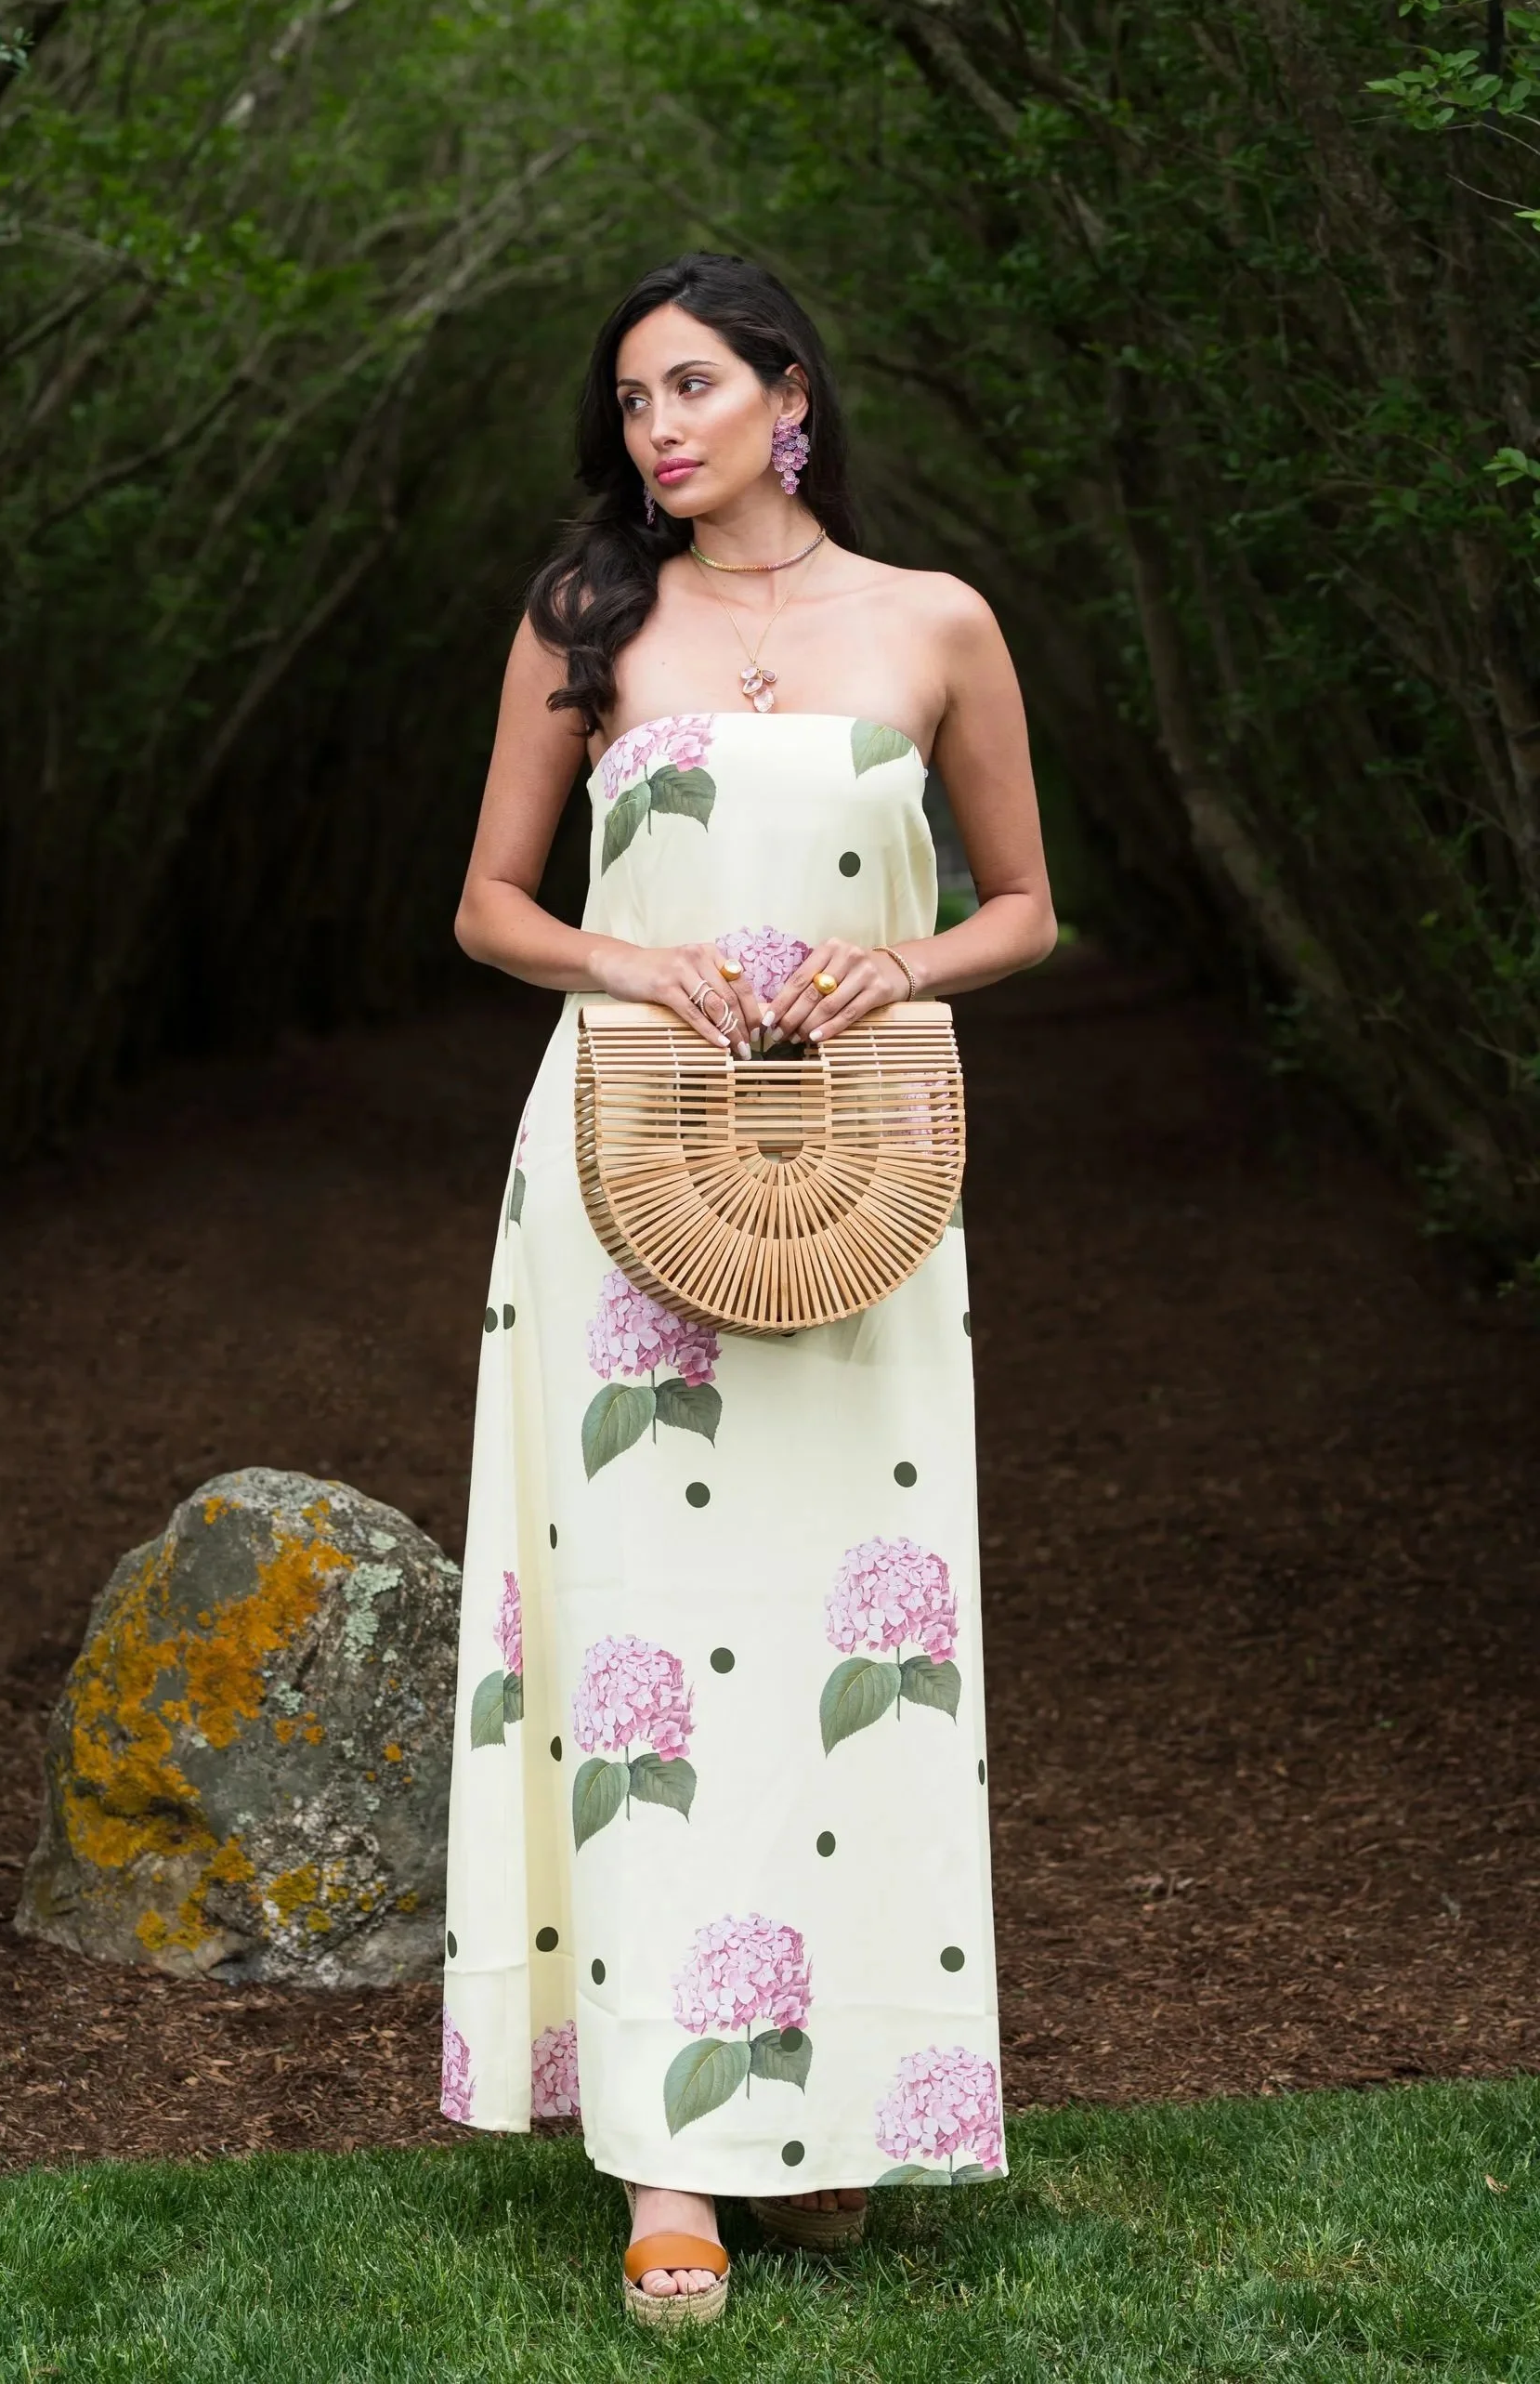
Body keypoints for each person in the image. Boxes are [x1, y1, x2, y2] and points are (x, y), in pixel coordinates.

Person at [441, 252, 1055, 2326]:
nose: (657, 431)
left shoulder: (935, 623)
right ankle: (668, 2162)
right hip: (620, 1182)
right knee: (650, 1659)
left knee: (850, 1638)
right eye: (630, 404)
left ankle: (833, 2117)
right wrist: (641, 961)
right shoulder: (590, 623)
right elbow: (491, 907)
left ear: (788, 391)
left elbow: (1030, 911)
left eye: (690, 386)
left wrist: (909, 958)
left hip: (870, 1179)